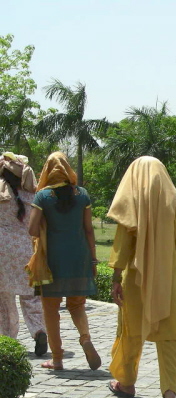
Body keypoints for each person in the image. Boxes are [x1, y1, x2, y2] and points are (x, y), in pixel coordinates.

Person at [107, 156, 176, 398]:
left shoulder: (132, 200)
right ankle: (170, 393)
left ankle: (126, 383)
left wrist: (116, 277)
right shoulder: (172, 200)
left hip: (136, 275)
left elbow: (124, 242)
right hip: (167, 276)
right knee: (169, 334)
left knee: (130, 329)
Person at [26, 151, 101, 370]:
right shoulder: (82, 194)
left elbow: (32, 229)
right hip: (80, 257)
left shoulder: (42, 197)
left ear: (47, 171)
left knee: (50, 310)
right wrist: (94, 259)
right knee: (77, 305)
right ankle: (85, 338)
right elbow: (88, 230)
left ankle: (57, 359)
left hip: (52, 261)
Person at [0, 152, 47, 355]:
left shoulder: (2, 195)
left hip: (2, 249)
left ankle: (8, 339)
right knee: (31, 297)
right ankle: (38, 330)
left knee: (4, 297)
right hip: (26, 249)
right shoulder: (32, 195)